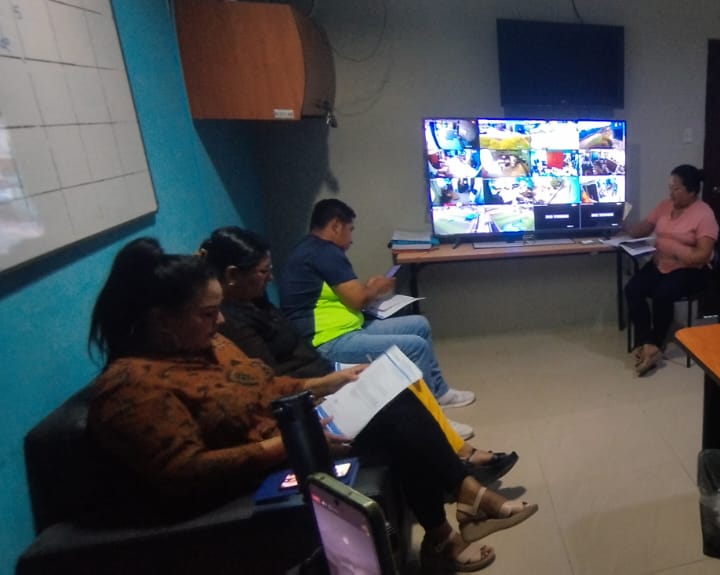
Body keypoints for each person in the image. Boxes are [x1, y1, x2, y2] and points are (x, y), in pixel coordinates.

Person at [88, 239, 537, 572]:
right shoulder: (131, 388)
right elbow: (183, 472)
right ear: (161, 321)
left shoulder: (207, 346)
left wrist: (327, 381)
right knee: (397, 423)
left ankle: (452, 522)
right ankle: (464, 506)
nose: (220, 321)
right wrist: (283, 446)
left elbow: (263, 386)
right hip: (258, 470)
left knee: (392, 398)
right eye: (207, 313)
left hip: (289, 433)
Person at [200, 226, 515, 484]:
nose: (270, 277)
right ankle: (461, 468)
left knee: (404, 377)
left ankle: (461, 454)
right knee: (400, 389)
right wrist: (325, 385)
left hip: (324, 372)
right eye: (263, 271)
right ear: (232, 274)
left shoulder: (254, 300)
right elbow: (273, 384)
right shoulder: (231, 322)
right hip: (315, 389)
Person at [277, 199, 476, 412]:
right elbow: (358, 300)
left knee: (420, 324)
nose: (351, 239)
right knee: (415, 346)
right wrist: (377, 287)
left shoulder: (310, 249)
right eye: (350, 229)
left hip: (347, 328)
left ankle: (440, 392)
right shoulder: (325, 253)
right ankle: (431, 415)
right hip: (328, 341)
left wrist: (368, 288)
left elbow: (347, 295)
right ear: (336, 225)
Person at [623, 164, 719, 376]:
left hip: (691, 269)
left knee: (662, 294)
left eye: (676, 189)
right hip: (661, 263)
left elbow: (703, 255)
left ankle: (656, 343)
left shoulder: (704, 214)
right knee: (633, 289)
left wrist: (674, 249)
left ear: (691, 191)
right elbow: (645, 227)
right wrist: (626, 225)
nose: (671, 193)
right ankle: (647, 343)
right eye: (670, 188)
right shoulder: (665, 206)